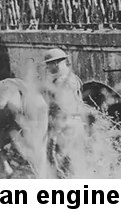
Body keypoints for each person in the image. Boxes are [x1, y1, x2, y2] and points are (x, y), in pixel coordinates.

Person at [43, 48, 86, 178]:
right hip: (76, 125)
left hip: (65, 129)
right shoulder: (73, 77)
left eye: (48, 64)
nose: (47, 68)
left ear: (56, 63)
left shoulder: (61, 83)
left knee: (63, 166)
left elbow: (63, 109)